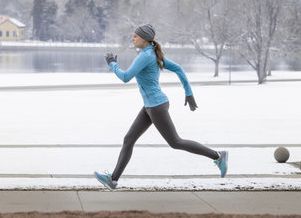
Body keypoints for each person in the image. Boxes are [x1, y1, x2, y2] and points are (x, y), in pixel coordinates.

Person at [94, 23, 228, 191]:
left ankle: (218, 156)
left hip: (156, 106)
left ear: (143, 39)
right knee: (129, 139)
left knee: (175, 142)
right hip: (150, 106)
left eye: (135, 36)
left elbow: (126, 77)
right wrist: (188, 92)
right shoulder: (151, 53)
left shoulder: (146, 56)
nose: (133, 38)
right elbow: (178, 68)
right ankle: (113, 180)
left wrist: (112, 64)